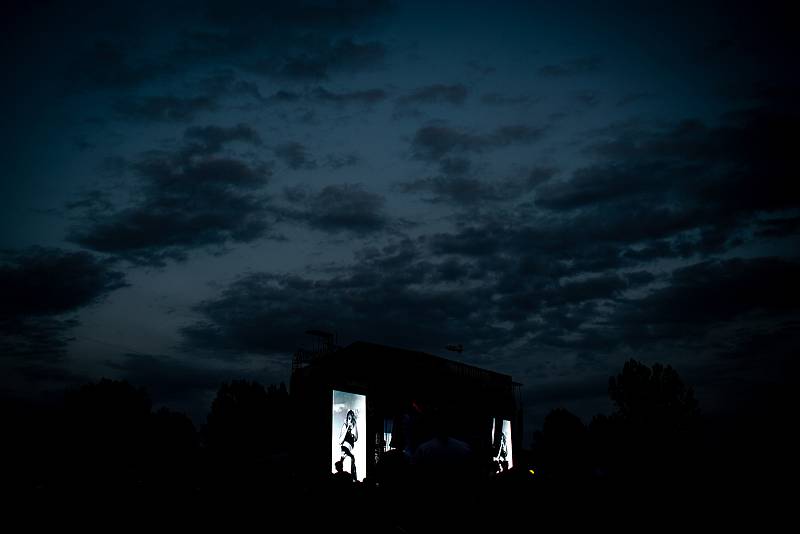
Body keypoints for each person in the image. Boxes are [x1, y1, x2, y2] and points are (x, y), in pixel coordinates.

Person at [337, 409, 358, 481]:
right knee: (348, 460)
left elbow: (356, 439)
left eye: (351, 419)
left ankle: (353, 478)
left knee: (352, 460)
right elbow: (340, 441)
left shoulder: (353, 426)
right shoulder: (345, 426)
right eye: (349, 418)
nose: (350, 420)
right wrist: (347, 428)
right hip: (344, 448)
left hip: (348, 449)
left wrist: (354, 425)